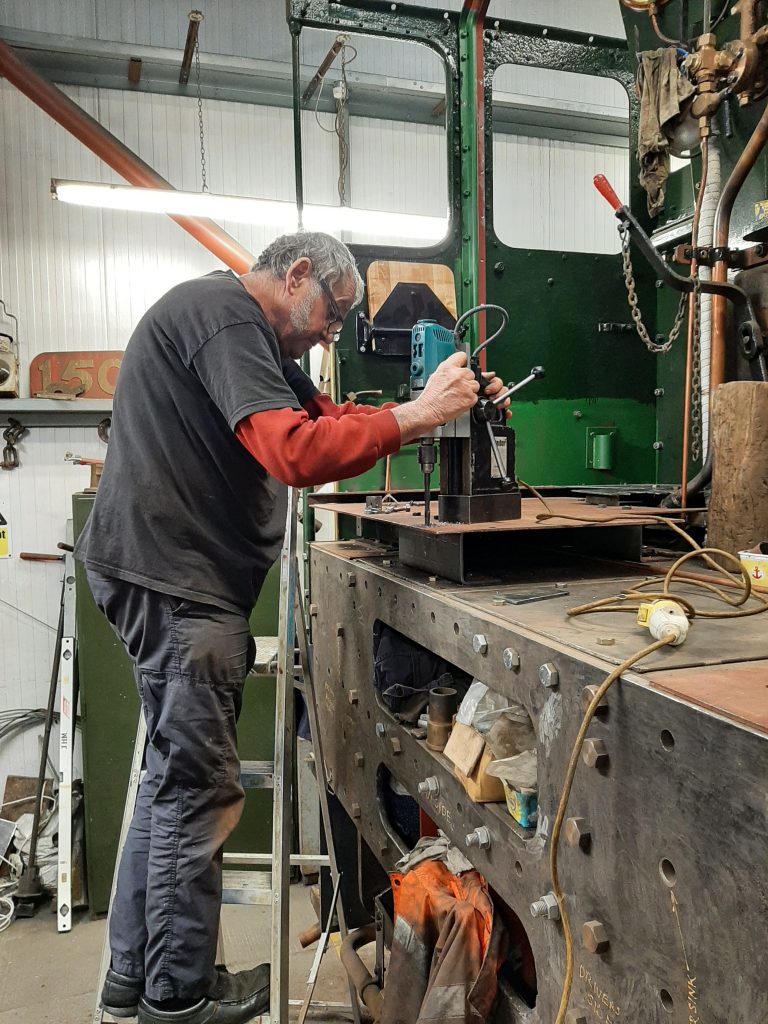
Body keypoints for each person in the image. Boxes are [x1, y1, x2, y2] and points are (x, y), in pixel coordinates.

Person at [75, 231, 509, 1024]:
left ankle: (134, 982)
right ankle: (178, 999)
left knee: (171, 789)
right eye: (331, 313)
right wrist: (418, 416)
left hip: (172, 579)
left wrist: (426, 403)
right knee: (198, 792)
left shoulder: (248, 335)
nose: (328, 334)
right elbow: (295, 452)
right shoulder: (223, 312)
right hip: (179, 587)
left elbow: (323, 415)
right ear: (297, 273)